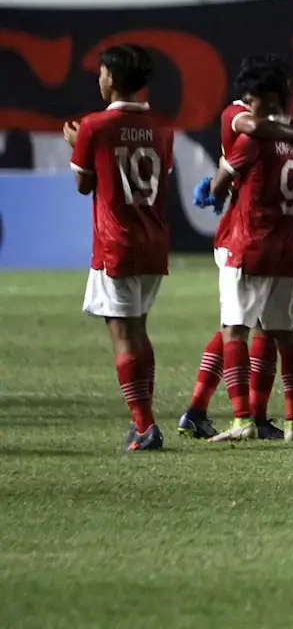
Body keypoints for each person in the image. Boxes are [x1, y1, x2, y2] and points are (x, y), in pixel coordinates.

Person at [178, 55, 293, 441]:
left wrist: (214, 187)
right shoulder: (260, 122)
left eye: (254, 95)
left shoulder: (255, 136)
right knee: (273, 331)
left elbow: (221, 180)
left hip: (245, 241)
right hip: (284, 246)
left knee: (239, 329)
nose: (247, 102)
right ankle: (279, 421)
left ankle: (244, 418)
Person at [64, 44, 174, 452]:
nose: (99, 78)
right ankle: (141, 420)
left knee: (124, 336)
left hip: (117, 243)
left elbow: (84, 184)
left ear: (113, 78)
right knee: (139, 331)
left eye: (102, 72)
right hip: (154, 241)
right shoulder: (163, 126)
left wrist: (77, 145)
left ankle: (144, 425)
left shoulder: (94, 126)